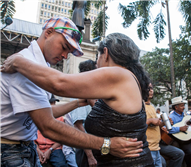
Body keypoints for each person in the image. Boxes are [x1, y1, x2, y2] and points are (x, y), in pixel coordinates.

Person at [0, 17, 143, 167]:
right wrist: (77, 105)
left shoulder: (25, 65)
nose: (65, 56)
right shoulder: (28, 66)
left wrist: (18, 62)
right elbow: (46, 121)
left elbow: (59, 84)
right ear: (48, 32)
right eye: (64, 47)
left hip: (21, 148)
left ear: (105, 54)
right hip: (10, 150)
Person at [146, 84, 185, 167]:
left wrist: (164, 123)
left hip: (156, 145)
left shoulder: (151, 107)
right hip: (149, 146)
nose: (151, 90)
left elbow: (156, 124)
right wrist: (150, 121)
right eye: (148, 88)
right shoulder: (140, 107)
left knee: (179, 153)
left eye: (152, 88)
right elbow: (137, 125)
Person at [69, 60, 97, 167]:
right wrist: (90, 156)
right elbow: (78, 126)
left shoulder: (93, 92)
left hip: (96, 145)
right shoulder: (78, 92)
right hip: (86, 149)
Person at [35, 95, 68, 167]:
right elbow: (32, 138)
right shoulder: (36, 118)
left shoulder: (60, 118)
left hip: (54, 148)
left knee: (61, 164)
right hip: (38, 148)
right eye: (51, 103)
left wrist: (50, 150)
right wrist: (38, 150)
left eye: (54, 103)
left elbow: (61, 138)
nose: (53, 106)